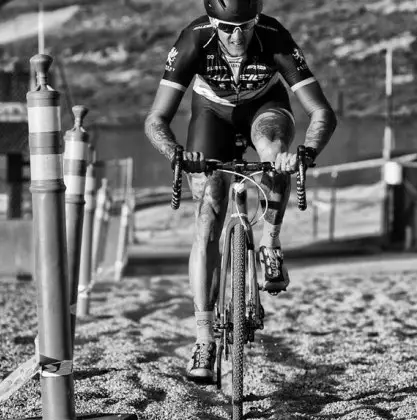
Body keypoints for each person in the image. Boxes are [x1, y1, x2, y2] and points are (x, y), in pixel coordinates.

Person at [143, 0, 337, 383]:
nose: (237, 35)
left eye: (245, 26)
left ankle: (271, 242)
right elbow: (156, 119)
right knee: (209, 214)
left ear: (257, 21)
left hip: (265, 107)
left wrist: (305, 155)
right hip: (211, 114)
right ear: (213, 24)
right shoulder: (193, 41)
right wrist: (178, 155)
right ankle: (203, 338)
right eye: (227, 28)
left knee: (274, 151)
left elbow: (321, 112)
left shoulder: (273, 36)